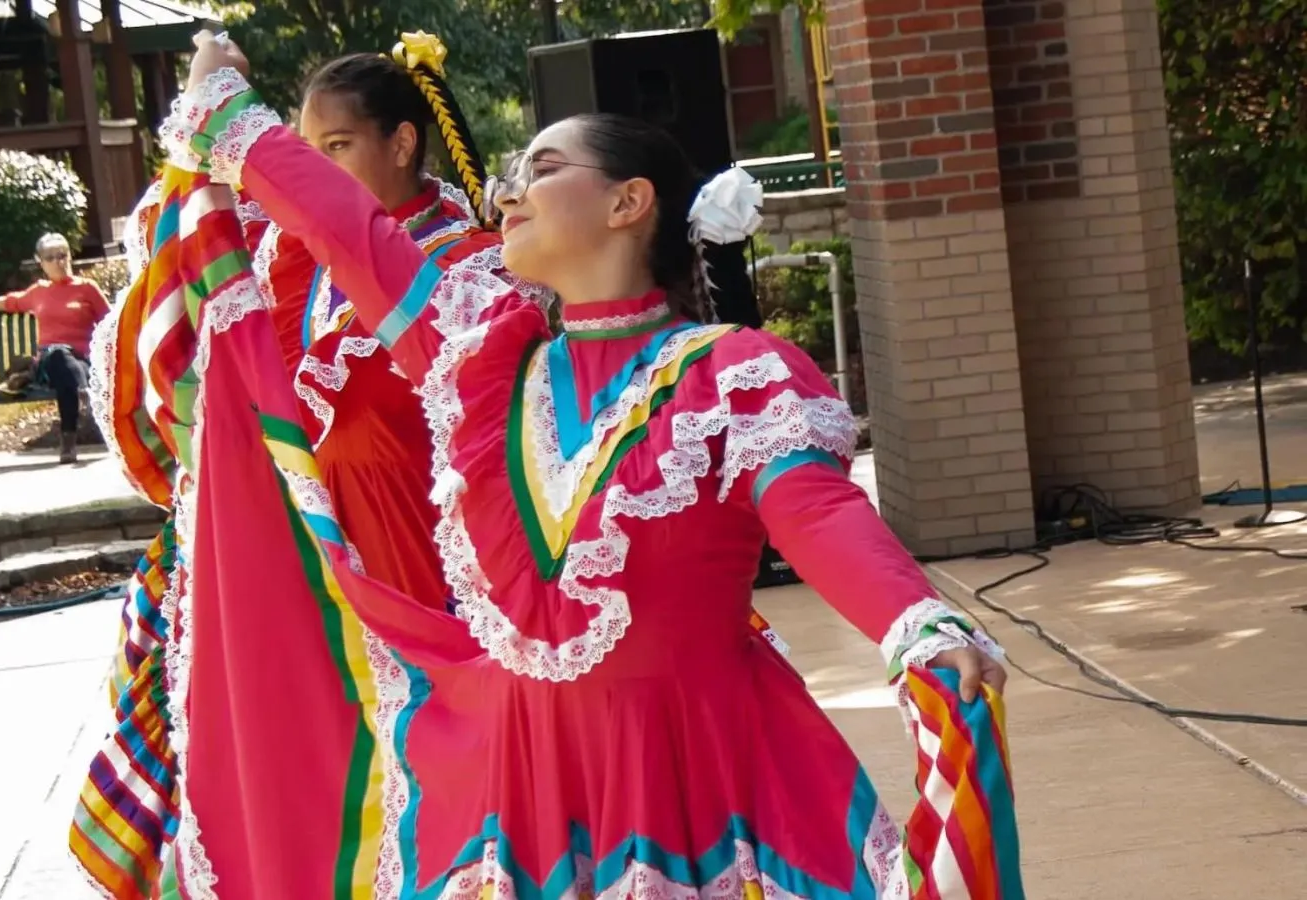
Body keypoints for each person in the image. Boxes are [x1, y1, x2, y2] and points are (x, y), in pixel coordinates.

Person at [113, 27, 1029, 899]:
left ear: (629, 203)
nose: (509, 193)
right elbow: (351, 231)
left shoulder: (731, 372)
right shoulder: (481, 363)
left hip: (697, 767)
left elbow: (819, 513)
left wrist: (915, 623)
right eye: (513, 176)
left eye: (545, 170)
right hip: (522, 786)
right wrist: (225, 109)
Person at [70, 35, 549, 899]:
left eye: (338, 147)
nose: (318, 165)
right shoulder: (288, 255)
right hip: (317, 579)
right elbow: (190, 257)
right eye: (309, 147)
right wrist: (203, 125)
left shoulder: (475, 271)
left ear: (402, 145)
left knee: (458, 809)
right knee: (327, 802)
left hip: (426, 572)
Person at [0, 232, 109, 463]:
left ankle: (69, 437)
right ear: (40, 262)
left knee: (70, 371)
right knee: (59, 356)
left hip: (83, 360)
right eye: (50, 257)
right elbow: (12, 301)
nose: (59, 261)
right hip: (50, 363)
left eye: (62, 255)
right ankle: (79, 405)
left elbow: (111, 321)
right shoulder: (39, 291)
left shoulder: (87, 288)